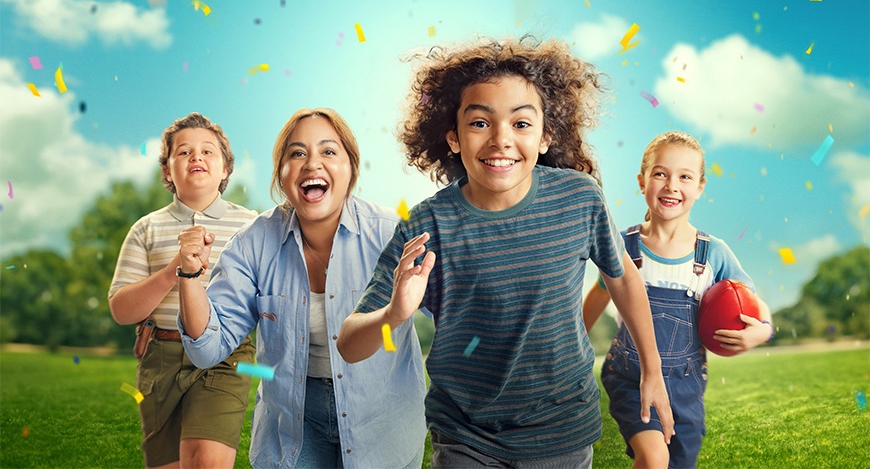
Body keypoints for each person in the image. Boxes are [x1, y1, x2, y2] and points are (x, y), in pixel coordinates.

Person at [337, 36, 674, 468]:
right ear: (453, 138)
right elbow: (349, 343)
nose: (500, 139)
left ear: (546, 136)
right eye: (480, 123)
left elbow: (622, 277)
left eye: (521, 123)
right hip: (466, 438)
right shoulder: (428, 225)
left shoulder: (579, 199)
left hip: (563, 432)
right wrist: (393, 315)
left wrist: (652, 368)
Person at [176, 108, 427, 469]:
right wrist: (189, 276)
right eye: (297, 153)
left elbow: (459, 309)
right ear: (281, 174)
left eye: (328, 151)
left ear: (351, 169)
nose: (312, 164)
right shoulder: (253, 244)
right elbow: (207, 349)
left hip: (383, 420)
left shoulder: (392, 233)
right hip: (293, 422)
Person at [583, 130, 774, 469]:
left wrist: (761, 331)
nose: (672, 185)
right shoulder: (623, 247)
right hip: (630, 375)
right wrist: (571, 343)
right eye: (660, 174)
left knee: (678, 462)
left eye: (685, 177)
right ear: (642, 182)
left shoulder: (713, 252)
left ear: (699, 188)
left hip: (686, 385)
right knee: (654, 458)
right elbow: (599, 293)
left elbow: (753, 303)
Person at [108, 112, 257, 469]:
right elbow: (122, 310)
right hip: (160, 357)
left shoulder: (252, 226)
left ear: (225, 170)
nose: (197, 158)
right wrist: (174, 269)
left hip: (226, 356)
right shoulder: (146, 229)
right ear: (168, 172)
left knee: (205, 461)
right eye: (184, 152)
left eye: (208, 152)